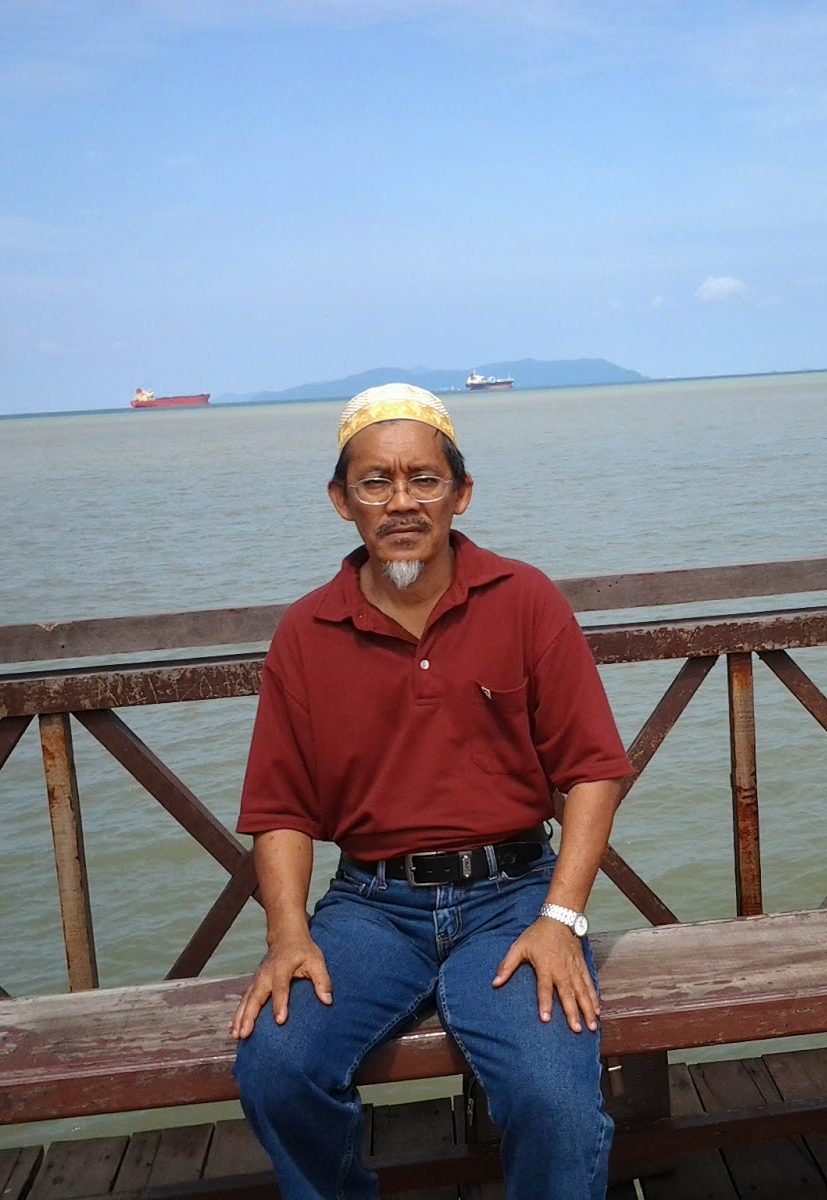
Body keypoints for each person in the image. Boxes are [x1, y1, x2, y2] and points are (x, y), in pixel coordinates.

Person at [230, 383, 634, 1200]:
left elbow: (592, 770)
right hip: (371, 908)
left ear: (461, 492)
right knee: (275, 1065)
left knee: (554, 1100)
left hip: (512, 900)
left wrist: (560, 919)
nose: (402, 502)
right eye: (375, 482)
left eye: (424, 479)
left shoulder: (525, 600)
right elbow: (281, 808)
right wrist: (287, 934)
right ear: (341, 501)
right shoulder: (305, 632)